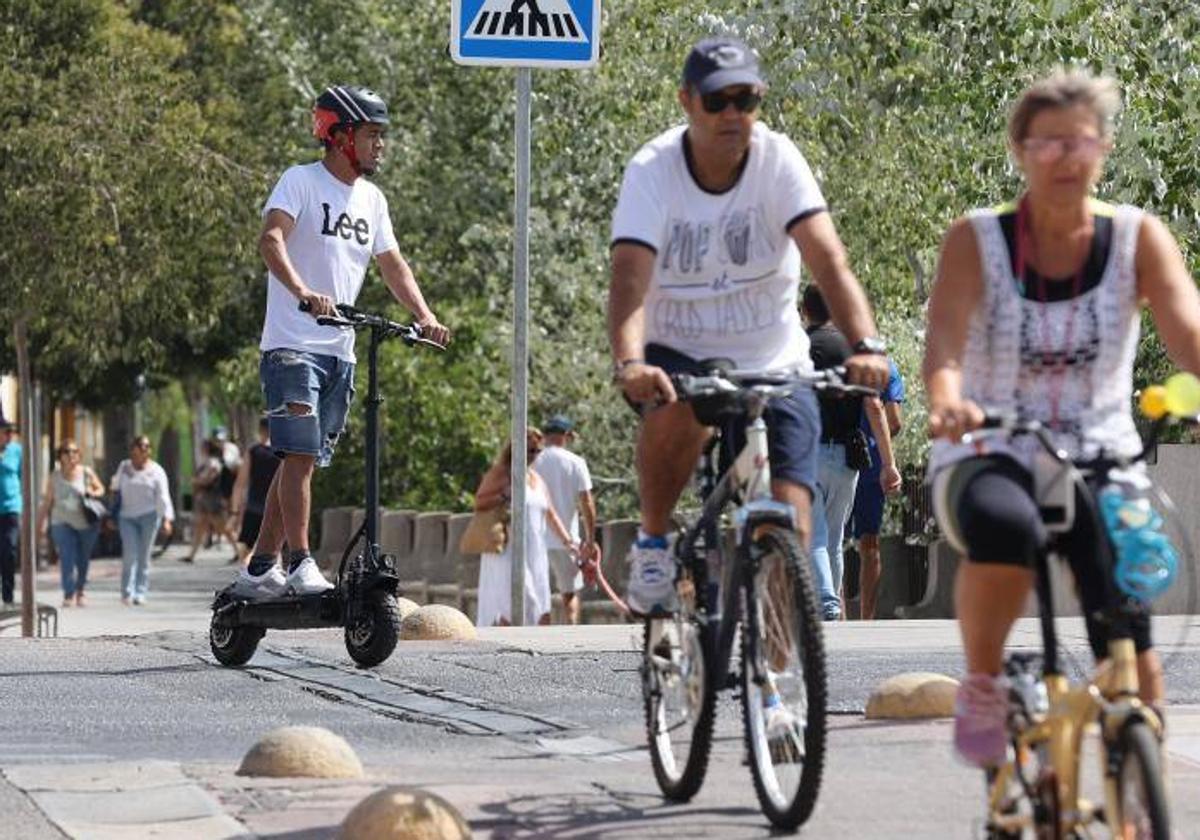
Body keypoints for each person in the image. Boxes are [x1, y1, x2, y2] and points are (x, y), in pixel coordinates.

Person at [923, 69, 1200, 768]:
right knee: (1007, 525)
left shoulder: (1138, 238)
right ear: (1019, 149)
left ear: (1104, 149)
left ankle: (1138, 781)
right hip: (991, 447)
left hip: (1101, 453)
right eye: (1048, 144)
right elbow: (945, 347)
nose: (1066, 159)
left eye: (1081, 142)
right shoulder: (976, 240)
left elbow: (1189, 334)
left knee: (1127, 598)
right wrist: (948, 400)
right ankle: (983, 685)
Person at [608, 36, 889, 617]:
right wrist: (631, 362)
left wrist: (867, 345)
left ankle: (777, 674)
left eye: (747, 99)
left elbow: (828, 261)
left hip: (774, 356)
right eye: (718, 100)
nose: (734, 114)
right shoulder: (654, 171)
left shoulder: (777, 160)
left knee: (792, 508)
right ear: (688, 101)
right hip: (680, 348)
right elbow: (630, 282)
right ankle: (655, 543)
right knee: (673, 416)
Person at [232, 84, 450, 600]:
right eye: (373, 135)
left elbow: (392, 264)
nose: (381, 145)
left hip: (340, 350)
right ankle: (300, 560)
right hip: (292, 343)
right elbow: (270, 239)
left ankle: (261, 566)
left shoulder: (372, 200)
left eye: (382, 136)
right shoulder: (300, 181)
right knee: (300, 455)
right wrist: (303, 291)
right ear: (341, 135)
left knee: (298, 459)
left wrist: (424, 315)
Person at [803, 285, 899, 621]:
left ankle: (828, 603)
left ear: (804, 311)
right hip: (847, 457)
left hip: (808, 452)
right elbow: (874, 405)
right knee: (834, 536)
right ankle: (831, 606)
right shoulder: (855, 351)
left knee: (813, 534)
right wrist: (888, 464)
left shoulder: (797, 347)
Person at [473, 429, 579, 627]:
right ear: (515, 450)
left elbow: (550, 513)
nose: (534, 455)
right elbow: (479, 502)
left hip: (535, 549)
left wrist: (568, 542)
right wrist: (505, 495)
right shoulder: (501, 473)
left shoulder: (536, 479)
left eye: (537, 451)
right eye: (529, 451)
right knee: (518, 599)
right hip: (508, 548)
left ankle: (534, 649)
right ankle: (505, 647)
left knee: (539, 603)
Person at [850, 358, 905, 620]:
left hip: (836, 458)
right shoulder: (887, 367)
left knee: (829, 541)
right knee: (869, 543)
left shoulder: (830, 357)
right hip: (871, 463)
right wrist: (877, 443)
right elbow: (894, 422)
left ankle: (834, 616)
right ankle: (866, 619)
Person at [532, 415, 598, 624]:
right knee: (569, 595)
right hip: (567, 541)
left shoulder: (533, 461)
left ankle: (539, 639)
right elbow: (586, 502)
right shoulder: (576, 463)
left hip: (534, 539)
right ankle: (571, 635)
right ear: (567, 435)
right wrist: (590, 539)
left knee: (538, 596)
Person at [37, 440, 104, 607]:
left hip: (86, 523)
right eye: (67, 451)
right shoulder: (55, 476)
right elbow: (47, 502)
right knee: (67, 557)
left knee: (83, 559)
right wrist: (39, 524)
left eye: (75, 451)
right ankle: (68, 594)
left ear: (79, 455)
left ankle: (80, 590)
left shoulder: (86, 472)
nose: (71, 455)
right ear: (60, 456)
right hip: (61, 522)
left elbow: (101, 489)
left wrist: (91, 491)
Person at [111, 435, 175, 605]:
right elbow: (115, 488)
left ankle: (140, 592)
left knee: (144, 556)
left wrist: (166, 519)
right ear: (133, 449)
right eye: (140, 446)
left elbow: (163, 497)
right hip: (127, 517)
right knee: (130, 554)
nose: (143, 449)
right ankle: (126, 592)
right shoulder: (124, 467)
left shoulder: (156, 470)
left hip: (149, 516)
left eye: (147, 446)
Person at [231, 418, 282, 566]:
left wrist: (234, 512)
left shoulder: (253, 452)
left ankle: (247, 576)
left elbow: (240, 483)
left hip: (254, 508)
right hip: (276, 508)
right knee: (275, 550)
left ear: (260, 430)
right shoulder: (283, 453)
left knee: (246, 550)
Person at [186, 440, 240, 564]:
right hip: (205, 499)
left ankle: (240, 552)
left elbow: (209, 479)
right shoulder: (209, 461)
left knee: (225, 528)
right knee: (200, 526)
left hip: (213, 499)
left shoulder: (213, 462)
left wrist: (196, 481)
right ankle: (191, 555)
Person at [0, 418, 20, 606]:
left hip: (11, 507)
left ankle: (8, 595)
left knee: (9, 550)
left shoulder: (16, 451)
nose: (5, 435)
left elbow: (23, 476)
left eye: (7, 432)